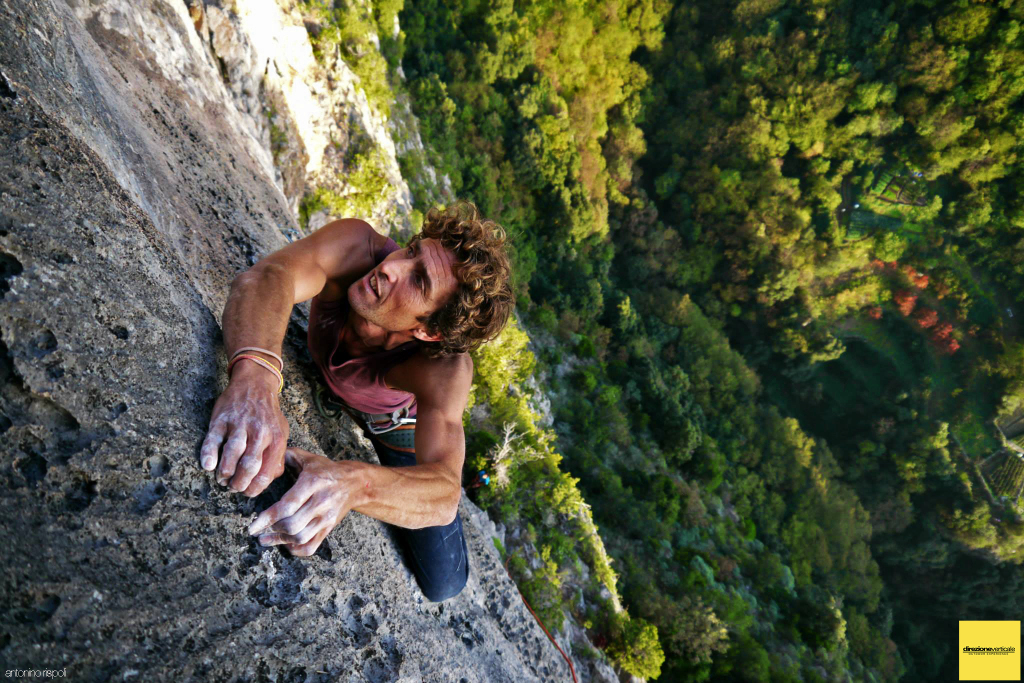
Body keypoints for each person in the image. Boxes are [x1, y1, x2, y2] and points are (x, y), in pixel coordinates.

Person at [199, 202, 514, 601]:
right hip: (339, 383)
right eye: (412, 250)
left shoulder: (441, 369)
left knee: (443, 582)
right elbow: (268, 277)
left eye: (418, 281)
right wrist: (256, 378)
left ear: (430, 331)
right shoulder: (356, 249)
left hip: (393, 427)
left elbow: (445, 493)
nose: (392, 267)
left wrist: (353, 484)